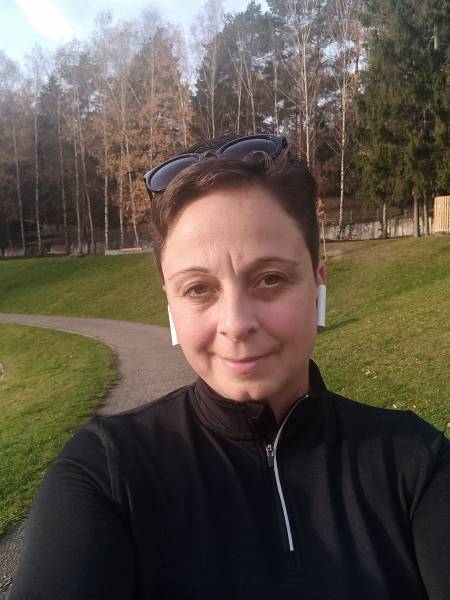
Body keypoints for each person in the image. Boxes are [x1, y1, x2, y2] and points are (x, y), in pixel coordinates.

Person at [9, 135, 450, 599]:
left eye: (270, 279)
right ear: (171, 304)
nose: (236, 324)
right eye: (198, 289)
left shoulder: (416, 462)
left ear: (318, 284)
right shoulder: (105, 472)